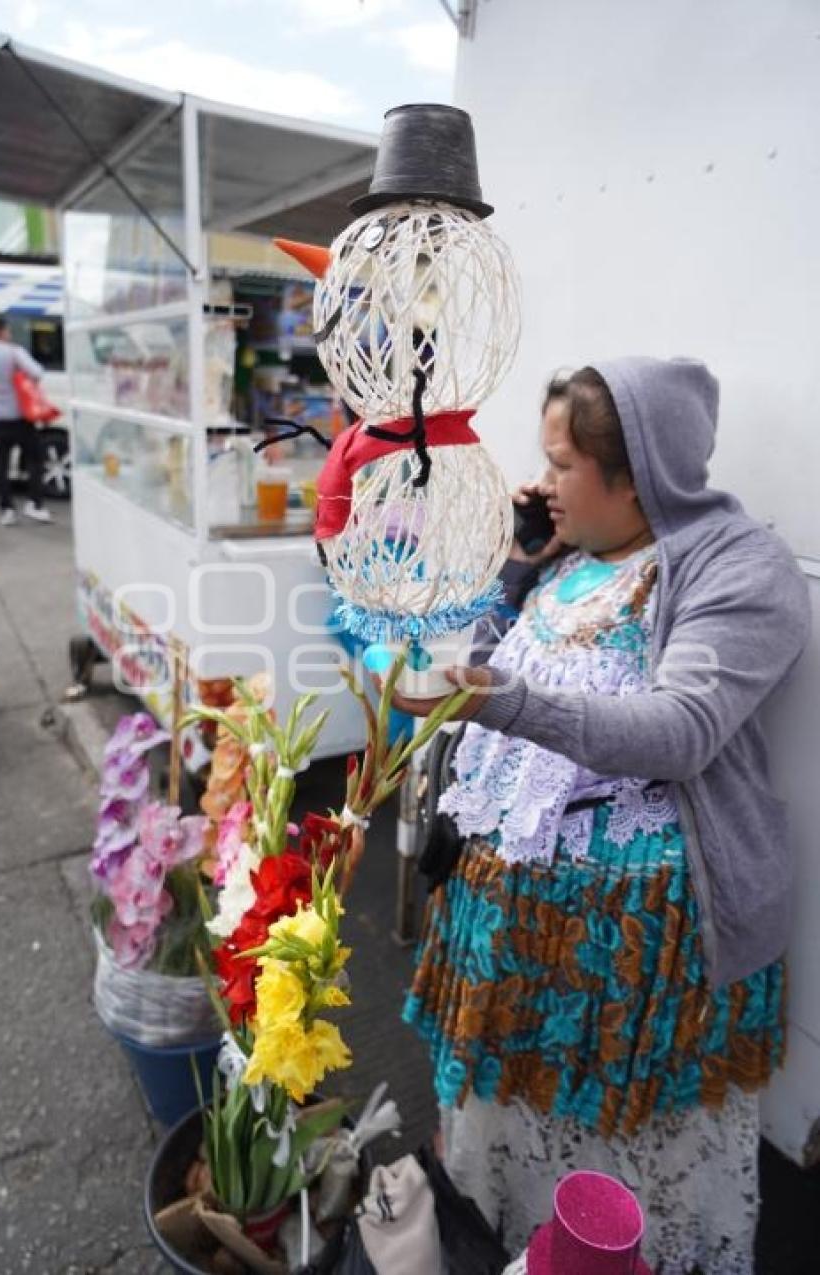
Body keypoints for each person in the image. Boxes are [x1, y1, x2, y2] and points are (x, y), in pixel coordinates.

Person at [392, 358, 810, 1273]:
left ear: (640, 473)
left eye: (560, 462)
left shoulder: (739, 566)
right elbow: (490, 662)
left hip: (635, 957)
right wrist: (513, 567)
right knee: (518, 1148)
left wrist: (496, 699)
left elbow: (682, 729)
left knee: (619, 1159)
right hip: (515, 937)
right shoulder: (575, 559)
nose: (538, 482)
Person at [0, 315, 51, 525]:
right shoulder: (14, 352)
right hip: (21, 417)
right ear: (0, 331)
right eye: (7, 330)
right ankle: (34, 504)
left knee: (1, 465)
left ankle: (7, 511)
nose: (9, 333)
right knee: (35, 459)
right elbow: (37, 372)